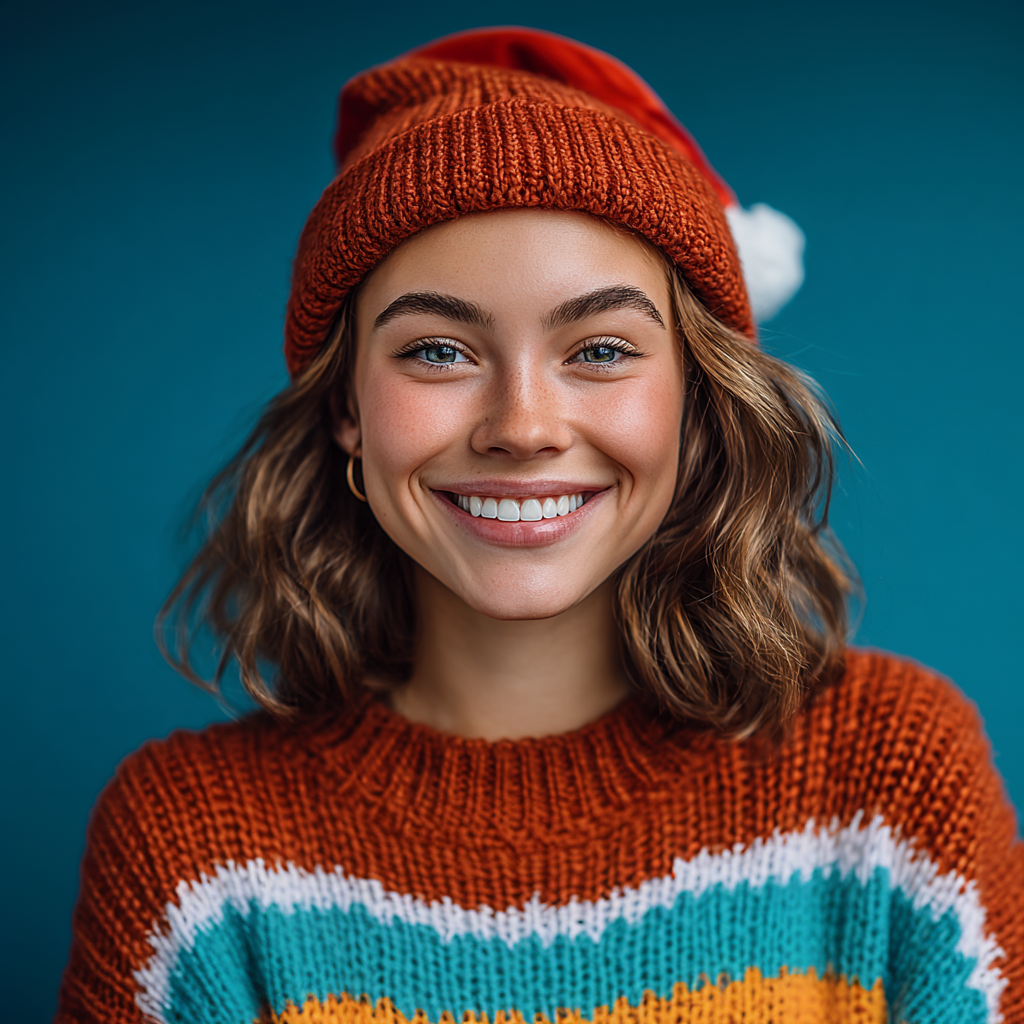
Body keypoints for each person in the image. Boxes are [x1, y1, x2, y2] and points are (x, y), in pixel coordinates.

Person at [56, 26, 1023, 1024]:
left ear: (696, 403)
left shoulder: (894, 784)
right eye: (436, 351)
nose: (522, 428)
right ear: (346, 404)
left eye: (600, 349)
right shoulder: (192, 858)